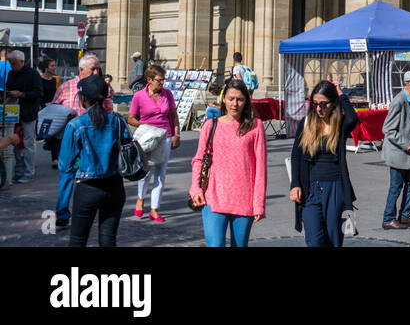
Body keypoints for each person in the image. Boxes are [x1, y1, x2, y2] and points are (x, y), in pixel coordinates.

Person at [189, 78, 266, 247]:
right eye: (231, 98)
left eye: (239, 99)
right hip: (213, 197)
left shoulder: (255, 126)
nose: (235, 104)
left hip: (244, 199)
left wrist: (258, 203)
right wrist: (195, 188)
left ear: (246, 101)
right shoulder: (211, 125)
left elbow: (260, 168)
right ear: (223, 99)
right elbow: (199, 159)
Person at [59, 76, 127, 247]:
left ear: (83, 98)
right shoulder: (118, 121)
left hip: (88, 187)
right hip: (114, 185)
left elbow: (65, 165)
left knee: (78, 240)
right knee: (108, 239)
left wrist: (78, 164)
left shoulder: (75, 125)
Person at [290, 81, 359, 247]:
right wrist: (295, 184)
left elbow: (353, 118)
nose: (318, 108)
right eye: (314, 104)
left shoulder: (340, 124)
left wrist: (341, 95)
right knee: (314, 240)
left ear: (333, 103)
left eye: (323, 104)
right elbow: (296, 156)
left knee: (334, 239)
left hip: (335, 188)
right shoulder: (306, 124)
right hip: (310, 189)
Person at [52, 53, 102, 227]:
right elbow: (55, 109)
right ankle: (62, 213)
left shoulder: (102, 87)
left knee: (92, 177)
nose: (96, 72)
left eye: (98, 68)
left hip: (92, 140)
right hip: (71, 139)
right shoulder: (66, 87)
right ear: (81, 70)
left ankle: (88, 212)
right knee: (67, 174)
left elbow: (108, 111)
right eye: (93, 69)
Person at [127, 65, 178, 223]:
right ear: (149, 80)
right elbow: (131, 118)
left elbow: (174, 115)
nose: (162, 83)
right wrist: (143, 126)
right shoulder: (139, 96)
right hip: (148, 137)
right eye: (159, 80)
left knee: (160, 174)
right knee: (146, 171)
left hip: (166, 136)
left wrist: (177, 134)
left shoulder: (167, 94)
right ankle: (141, 198)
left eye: (163, 80)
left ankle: (154, 209)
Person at [381, 71, 410, 230]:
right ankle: (388, 219)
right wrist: (406, 144)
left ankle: (405, 217)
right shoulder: (399, 101)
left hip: (407, 153)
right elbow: (388, 129)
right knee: (396, 186)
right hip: (398, 152)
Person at [3, 50, 41, 184]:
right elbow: (8, 88)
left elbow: (38, 92)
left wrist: (22, 94)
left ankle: (28, 172)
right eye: (11, 64)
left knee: (28, 143)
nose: (12, 66)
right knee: (16, 143)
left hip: (28, 112)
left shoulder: (33, 74)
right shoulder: (11, 73)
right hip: (14, 112)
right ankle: (18, 171)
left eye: (14, 64)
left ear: (22, 62)